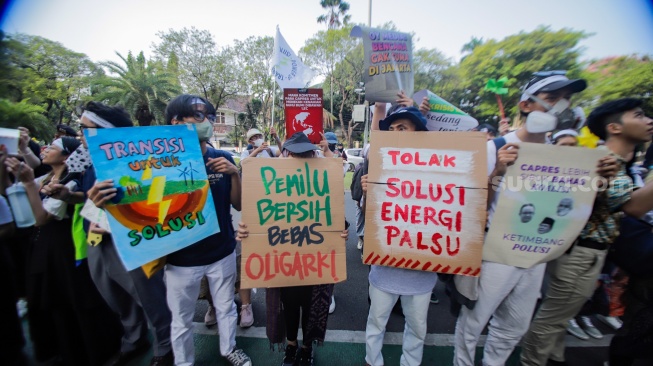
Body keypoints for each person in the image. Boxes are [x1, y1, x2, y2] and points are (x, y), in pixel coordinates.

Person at [452, 71, 619, 366]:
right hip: (497, 251)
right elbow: (473, 203)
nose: (562, 107)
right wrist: (497, 173)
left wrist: (601, 180)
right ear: (526, 105)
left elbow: (577, 208)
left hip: (538, 253)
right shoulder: (495, 147)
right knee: (475, 320)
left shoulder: (569, 154)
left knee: (514, 324)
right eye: (552, 98)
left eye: (567, 99)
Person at [521, 98, 653, 366]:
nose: (649, 121)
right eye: (639, 115)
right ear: (614, 127)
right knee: (551, 319)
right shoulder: (602, 161)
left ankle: (554, 359)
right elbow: (633, 207)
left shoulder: (610, 161)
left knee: (559, 318)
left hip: (587, 254)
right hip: (581, 254)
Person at [4, 137, 123, 366]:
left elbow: (40, 218)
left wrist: (29, 184)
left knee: (74, 301)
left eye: (54, 147)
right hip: (41, 248)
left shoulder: (70, 182)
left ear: (66, 156)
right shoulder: (44, 178)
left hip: (63, 250)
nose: (46, 149)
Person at [74, 101, 174, 366]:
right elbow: (91, 200)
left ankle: (165, 347)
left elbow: (156, 202)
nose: (80, 135)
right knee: (115, 297)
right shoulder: (91, 163)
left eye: (86, 129)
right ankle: (134, 338)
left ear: (107, 133)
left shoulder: (138, 163)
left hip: (132, 244)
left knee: (150, 299)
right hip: (97, 243)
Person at [235, 131, 348, 366]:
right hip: (284, 265)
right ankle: (291, 345)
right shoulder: (269, 183)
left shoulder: (324, 180)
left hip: (314, 267)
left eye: (305, 154)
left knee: (310, 309)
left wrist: (342, 232)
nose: (300, 159)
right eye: (294, 154)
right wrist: (245, 233)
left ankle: (307, 348)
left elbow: (337, 221)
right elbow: (257, 221)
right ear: (284, 154)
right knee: (289, 307)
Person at [163, 94, 251, 366]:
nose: (208, 123)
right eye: (199, 116)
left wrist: (234, 174)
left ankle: (229, 349)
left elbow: (238, 204)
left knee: (226, 307)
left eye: (211, 117)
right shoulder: (160, 163)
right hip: (180, 260)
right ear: (176, 122)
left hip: (221, 251)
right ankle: (184, 362)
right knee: (181, 318)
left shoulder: (222, 157)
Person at [361, 106, 437, 366]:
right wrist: (368, 193)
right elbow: (369, 218)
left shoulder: (437, 172)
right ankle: (373, 362)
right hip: (384, 269)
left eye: (402, 128)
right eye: (391, 129)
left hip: (421, 273)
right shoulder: (380, 169)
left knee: (417, 329)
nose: (395, 134)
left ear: (419, 133)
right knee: (376, 323)